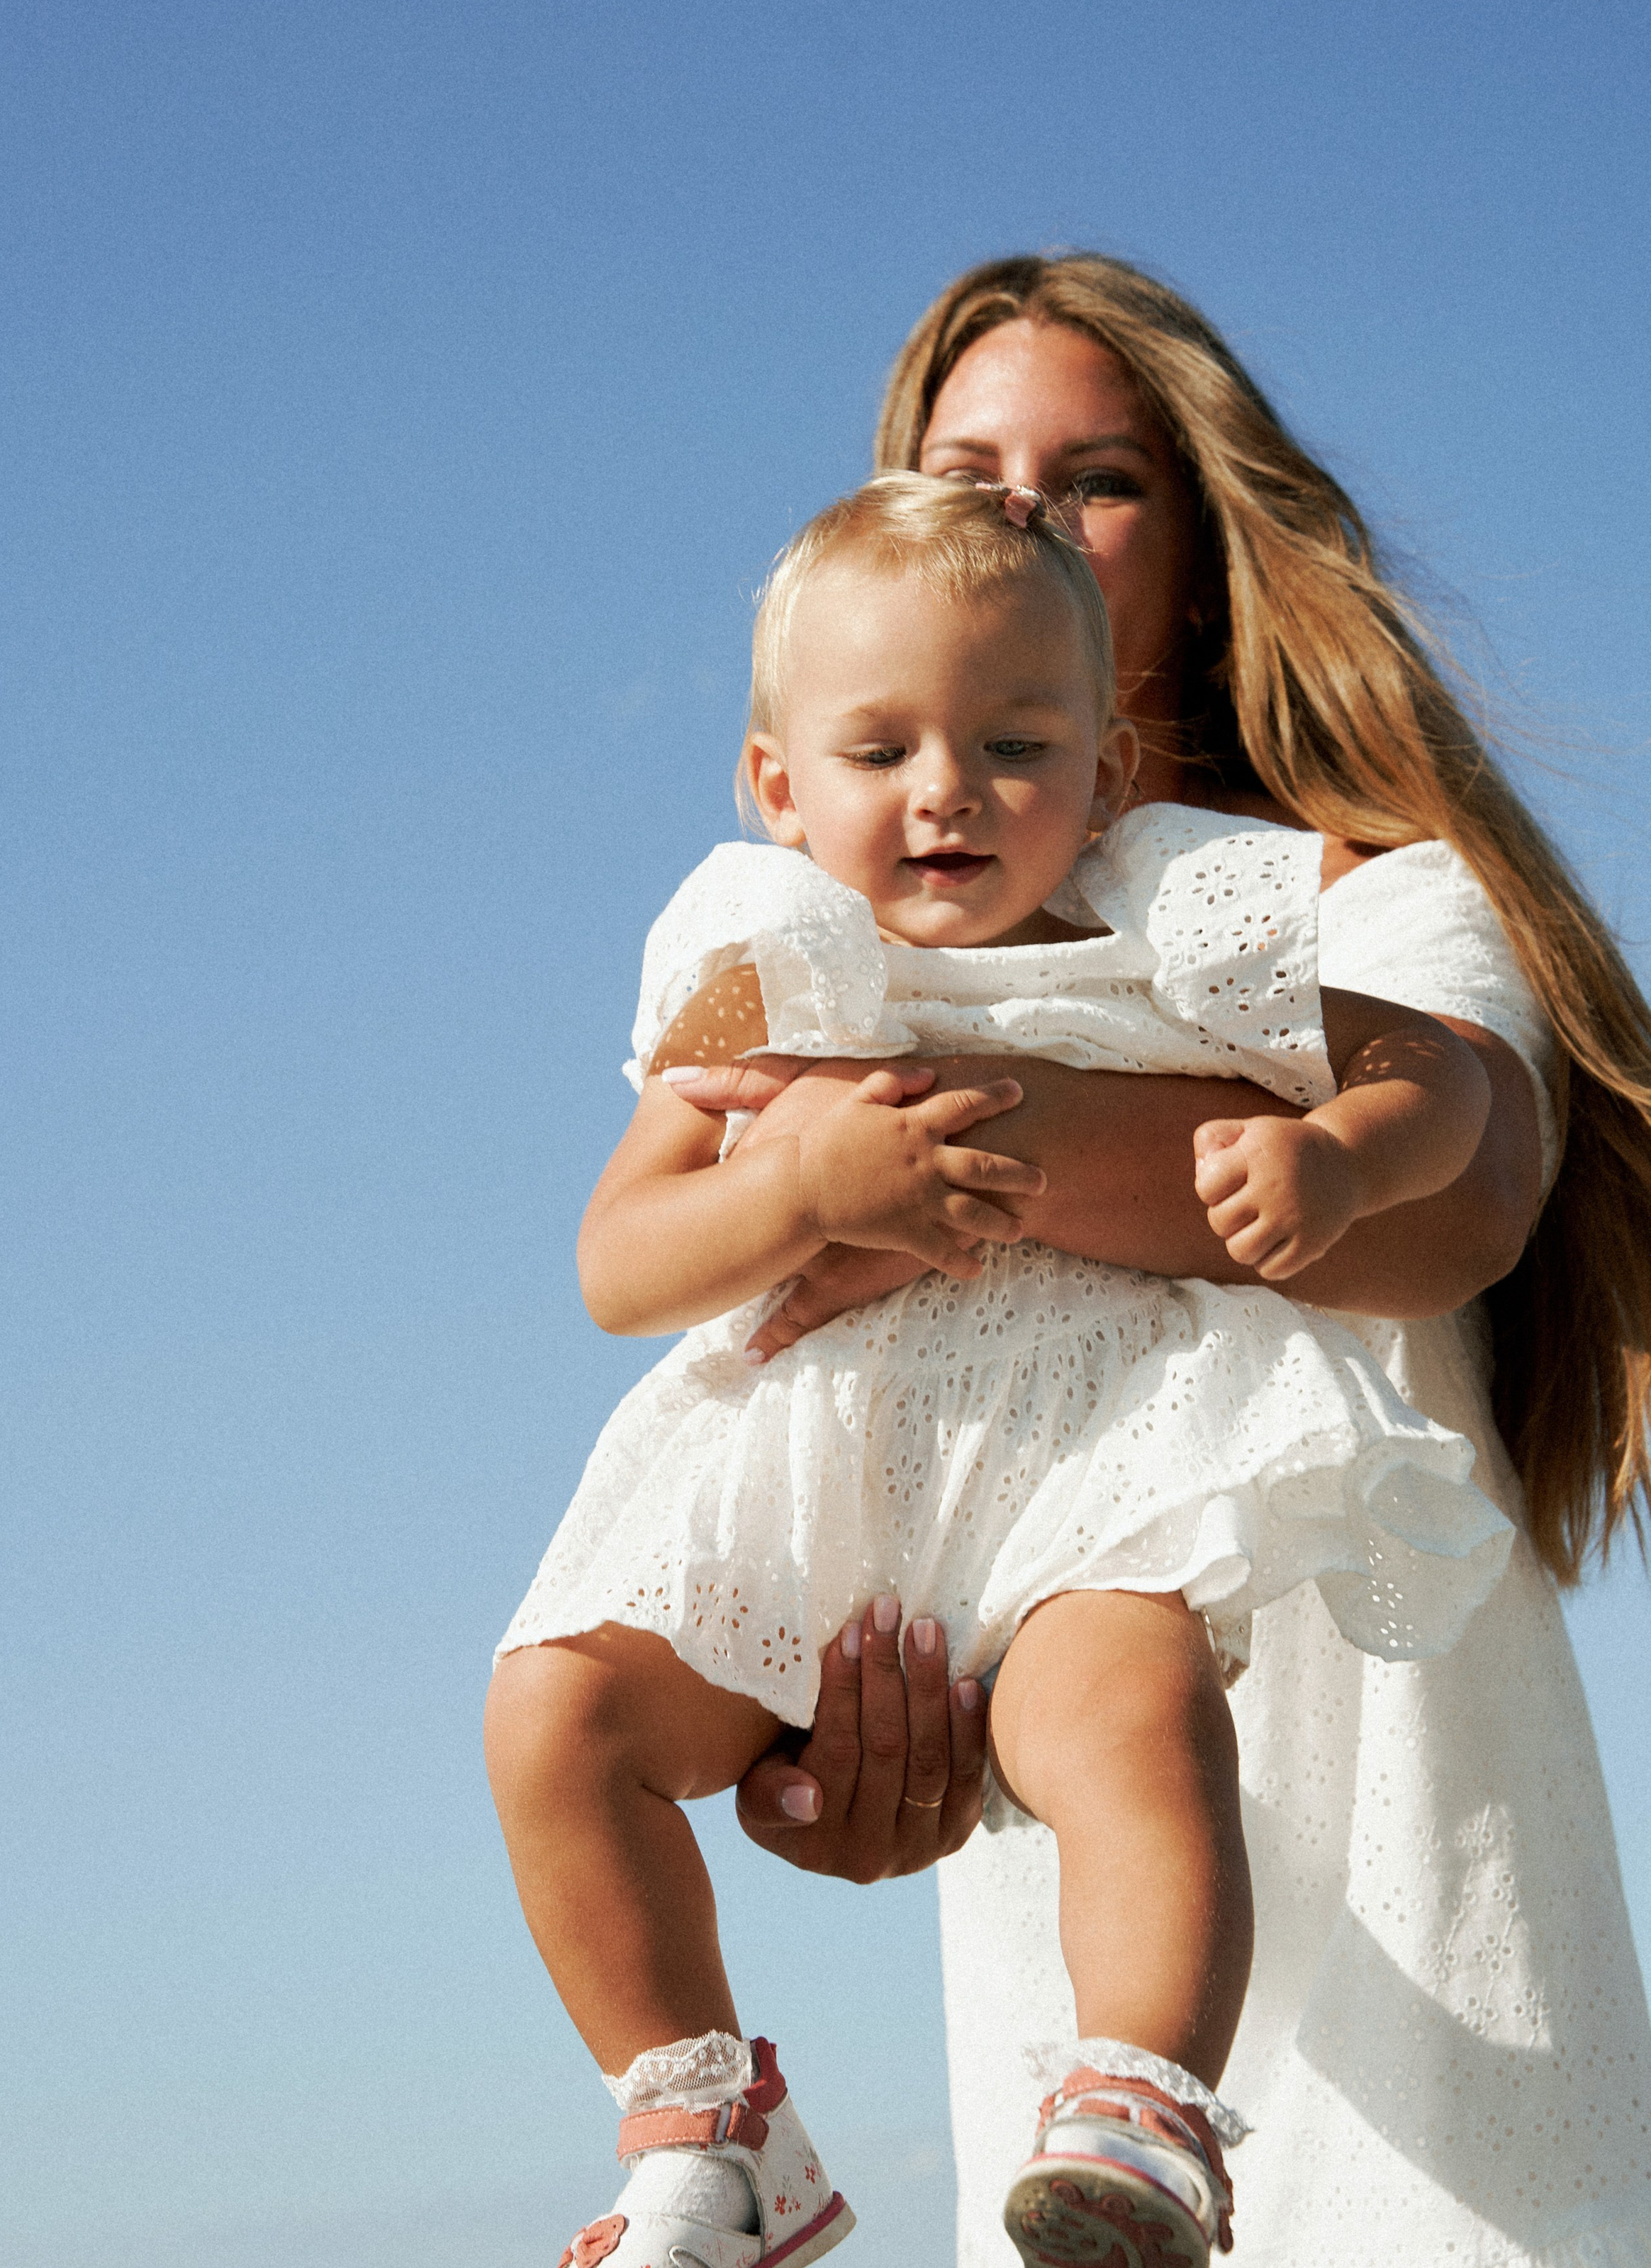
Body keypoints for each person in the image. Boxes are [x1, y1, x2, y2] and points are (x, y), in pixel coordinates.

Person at [660, 254, 1651, 2265]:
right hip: (1068, 2070)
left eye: (1094, 479)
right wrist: (815, 1756)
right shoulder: (834, 959)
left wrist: (865, 1152)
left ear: (1201, 553)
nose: (1024, 520)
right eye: (972, 473)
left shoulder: (1370, 905)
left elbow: (1452, 1205)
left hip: (1443, 2016)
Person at [485, 472, 1518, 2268]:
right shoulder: (765, 971)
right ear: (774, 786)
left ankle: (1141, 2106)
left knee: (1125, 1717)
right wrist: (793, 1184)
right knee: (553, 1717)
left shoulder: (1181, 937)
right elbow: (615, 1264)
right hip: (813, 1486)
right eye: (878, 748)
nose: (946, 788)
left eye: (1013, 742)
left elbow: (1446, 1077)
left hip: (1088, 1460)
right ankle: (707, 2132)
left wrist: (1343, 1152)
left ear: (1108, 774)